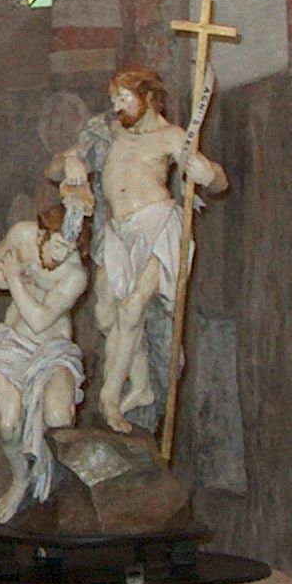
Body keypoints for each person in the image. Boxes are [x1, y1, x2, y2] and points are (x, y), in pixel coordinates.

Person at [50, 66, 226, 434]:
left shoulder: (171, 136)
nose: (117, 105)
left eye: (123, 98)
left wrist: (207, 174)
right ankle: (142, 386)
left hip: (157, 224)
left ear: (147, 98)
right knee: (105, 314)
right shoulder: (107, 131)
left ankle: (110, 398)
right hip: (117, 230)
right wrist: (71, 160)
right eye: (114, 98)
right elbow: (56, 169)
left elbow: (218, 180)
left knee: (133, 308)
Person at [0, 208, 90, 521]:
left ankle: (54, 483)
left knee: (58, 416)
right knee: (8, 425)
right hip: (14, 345)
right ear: (43, 234)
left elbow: (39, 320)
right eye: (60, 244)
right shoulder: (22, 234)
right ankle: (21, 478)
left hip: (52, 347)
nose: (64, 255)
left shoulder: (76, 275)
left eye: (72, 249)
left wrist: (14, 277)